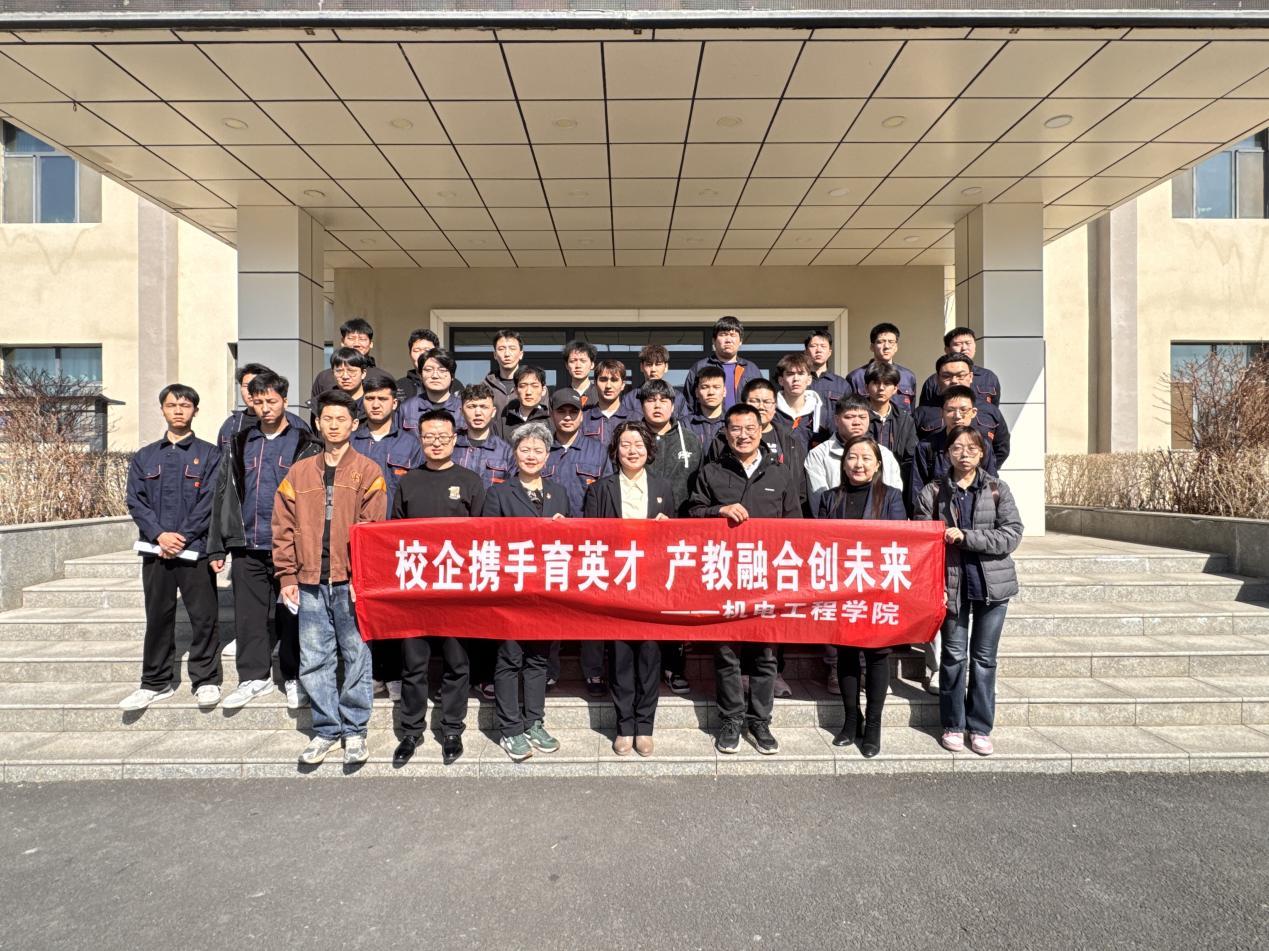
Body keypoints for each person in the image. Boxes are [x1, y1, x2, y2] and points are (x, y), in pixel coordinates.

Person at [273, 389, 387, 767]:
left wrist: (363, 577)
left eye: (341, 419)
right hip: (308, 580)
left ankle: (355, 730)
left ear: (354, 424)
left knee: (356, 655)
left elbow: (373, 530)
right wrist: (286, 575)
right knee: (314, 658)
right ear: (317, 423)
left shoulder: (368, 471)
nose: (334, 425)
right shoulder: (299, 472)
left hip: (350, 580)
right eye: (328, 419)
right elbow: (282, 526)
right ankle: (325, 729)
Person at [688, 404, 800, 756]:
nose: (743, 435)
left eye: (750, 428)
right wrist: (717, 511)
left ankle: (760, 721)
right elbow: (691, 514)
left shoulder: (780, 474)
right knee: (727, 654)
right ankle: (731, 720)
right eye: (735, 428)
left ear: (762, 428)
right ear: (725, 432)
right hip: (724, 577)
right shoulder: (711, 472)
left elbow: (796, 526)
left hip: (767, 578)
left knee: (766, 654)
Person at [208, 371, 320, 711]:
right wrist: (218, 544)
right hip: (247, 544)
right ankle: (253, 677)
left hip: (290, 546)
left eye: (272, 401)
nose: (266, 407)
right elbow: (223, 493)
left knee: (292, 615)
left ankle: (294, 676)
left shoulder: (305, 443)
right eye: (258, 402)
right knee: (249, 616)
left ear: (285, 400)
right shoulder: (239, 442)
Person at [915, 426, 1022, 757]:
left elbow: (1012, 534)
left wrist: (967, 537)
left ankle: (980, 728)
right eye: (957, 448)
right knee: (953, 658)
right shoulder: (933, 492)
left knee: (984, 660)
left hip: (993, 586)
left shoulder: (997, 489)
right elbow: (922, 541)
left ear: (982, 453)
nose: (964, 454)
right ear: (947, 453)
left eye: (971, 448)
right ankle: (952, 724)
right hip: (951, 586)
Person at [390, 409, 487, 767]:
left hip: (456, 588)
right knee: (413, 664)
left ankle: (452, 729)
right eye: (429, 436)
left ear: (455, 439)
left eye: (443, 437)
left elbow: (482, 535)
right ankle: (410, 731)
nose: (436, 443)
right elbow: (394, 535)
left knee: (457, 662)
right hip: (416, 588)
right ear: (420, 438)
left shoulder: (471, 481)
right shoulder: (408, 481)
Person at [119, 385, 223, 712]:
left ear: (195, 411)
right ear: (162, 409)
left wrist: (182, 537)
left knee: (204, 618)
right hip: (156, 552)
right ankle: (155, 682)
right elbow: (135, 501)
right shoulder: (145, 456)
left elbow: (210, 501)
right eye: (172, 405)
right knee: (158, 617)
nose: (178, 410)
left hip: (195, 552)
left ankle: (206, 680)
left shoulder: (210, 455)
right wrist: (160, 536)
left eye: (185, 405)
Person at [583, 422, 675, 757]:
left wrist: (668, 528)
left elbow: (676, 540)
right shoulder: (601, 489)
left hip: (651, 584)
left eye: (638, 444)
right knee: (620, 657)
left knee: (650, 655)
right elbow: (590, 538)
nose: (632, 451)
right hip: (616, 583)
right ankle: (624, 726)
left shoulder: (663, 486)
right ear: (615, 450)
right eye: (625, 444)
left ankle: (645, 726)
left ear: (649, 450)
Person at [480, 421, 568, 762]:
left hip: (546, 589)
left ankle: (534, 722)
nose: (531, 456)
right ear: (514, 454)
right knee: (509, 658)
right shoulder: (499, 493)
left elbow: (573, 540)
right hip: (511, 589)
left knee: (538, 659)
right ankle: (510, 728)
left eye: (538, 450)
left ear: (548, 456)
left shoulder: (558, 492)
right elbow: (489, 541)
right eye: (525, 449)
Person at [815, 435, 907, 758]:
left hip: (877, 588)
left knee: (878, 655)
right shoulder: (830, 498)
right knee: (847, 654)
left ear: (877, 465)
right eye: (852, 457)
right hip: (842, 588)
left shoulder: (891, 497)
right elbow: (820, 541)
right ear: (843, 464)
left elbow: (898, 540)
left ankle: (874, 725)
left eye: (866, 458)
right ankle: (851, 719)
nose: (858, 464)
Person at [351, 369, 425, 705]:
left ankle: (394, 674)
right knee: (364, 609)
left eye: (383, 398)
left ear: (395, 403)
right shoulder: (352, 442)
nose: (376, 404)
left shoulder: (411, 444)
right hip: (359, 538)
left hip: (398, 541)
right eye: (370, 398)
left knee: (395, 610)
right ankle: (372, 673)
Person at [544, 388, 612, 694]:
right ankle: (548, 671)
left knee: (591, 609)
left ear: (582, 416)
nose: (567, 417)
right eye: (562, 411)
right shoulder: (541, 447)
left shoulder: (598, 451)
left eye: (573, 412)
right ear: (552, 414)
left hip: (589, 543)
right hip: (549, 544)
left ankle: (593, 671)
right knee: (550, 609)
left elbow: (608, 493)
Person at [638, 378, 702, 695]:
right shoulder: (632, 437)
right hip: (639, 534)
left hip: (679, 534)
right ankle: (643, 668)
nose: (658, 405)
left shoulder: (690, 439)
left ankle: (675, 666)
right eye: (651, 400)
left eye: (664, 400)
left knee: (676, 602)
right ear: (641, 405)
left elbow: (698, 486)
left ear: (673, 405)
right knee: (642, 602)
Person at [806, 395, 904, 513]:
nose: (857, 422)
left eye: (862, 417)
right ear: (836, 420)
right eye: (849, 417)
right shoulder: (819, 455)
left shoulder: (884, 454)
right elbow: (819, 502)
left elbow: (893, 500)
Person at [910, 384, 1001, 505]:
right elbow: (917, 489)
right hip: (938, 512)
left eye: (963, 410)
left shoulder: (983, 445)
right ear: (942, 413)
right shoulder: (926, 447)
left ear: (973, 412)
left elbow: (992, 486)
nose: (957, 416)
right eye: (950, 410)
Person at [912, 354, 1011, 465]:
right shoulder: (922, 413)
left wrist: (981, 470)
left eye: (960, 375)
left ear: (971, 377)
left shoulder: (990, 411)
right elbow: (913, 452)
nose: (954, 381)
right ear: (937, 379)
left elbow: (1001, 448)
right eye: (947, 376)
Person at [217, 362, 307, 451]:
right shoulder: (231, 424)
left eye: (256, 386)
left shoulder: (295, 423)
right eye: (246, 386)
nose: (250, 391)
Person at [683, 315, 763, 413]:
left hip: (743, 421)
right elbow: (688, 404)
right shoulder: (700, 367)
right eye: (723, 335)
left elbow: (761, 401)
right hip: (707, 422)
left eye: (733, 335)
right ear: (714, 340)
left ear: (740, 341)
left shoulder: (751, 369)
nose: (728, 340)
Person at [917, 327, 1003, 408]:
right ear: (947, 349)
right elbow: (925, 412)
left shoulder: (988, 377)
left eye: (968, 343)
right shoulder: (934, 381)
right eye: (957, 344)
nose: (964, 348)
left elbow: (994, 409)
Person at [864, 362, 917, 491]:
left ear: (895, 389)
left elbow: (910, 458)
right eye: (876, 383)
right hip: (863, 483)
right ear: (866, 387)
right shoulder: (858, 417)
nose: (881, 388)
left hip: (896, 485)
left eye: (887, 384)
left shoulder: (905, 420)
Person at [452, 382, 514, 488]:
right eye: (471, 407)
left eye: (484, 407)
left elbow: (513, 488)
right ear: (461, 411)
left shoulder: (506, 451)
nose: (478, 413)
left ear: (493, 412)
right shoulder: (450, 445)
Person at [846, 322, 917, 412]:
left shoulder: (908, 377)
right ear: (872, 347)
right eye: (881, 342)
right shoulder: (856, 377)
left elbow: (911, 411)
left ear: (896, 347)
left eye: (891, 342)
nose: (886, 346)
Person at [310, 318, 375, 407]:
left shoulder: (381, 376)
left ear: (371, 344)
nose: (356, 344)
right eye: (351, 338)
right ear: (342, 342)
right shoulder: (324, 377)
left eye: (362, 339)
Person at [397, 348, 463, 432]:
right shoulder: (407, 408)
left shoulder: (463, 408)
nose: (435, 376)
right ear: (420, 375)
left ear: (452, 376)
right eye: (428, 370)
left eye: (442, 370)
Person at [774, 351, 829, 452]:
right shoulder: (771, 412)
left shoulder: (822, 413)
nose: (796, 379)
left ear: (809, 380)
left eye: (801, 373)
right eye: (790, 374)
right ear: (781, 380)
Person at [620, 344, 687, 419]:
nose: (653, 370)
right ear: (641, 367)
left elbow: (684, 423)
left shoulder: (678, 398)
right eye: (649, 365)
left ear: (666, 367)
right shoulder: (630, 399)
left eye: (658, 364)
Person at [582, 358, 638, 446]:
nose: (608, 386)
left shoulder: (635, 419)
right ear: (595, 384)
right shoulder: (583, 418)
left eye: (614, 380)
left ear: (623, 385)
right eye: (603, 380)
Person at [311, 347, 370, 429]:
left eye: (351, 371)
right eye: (339, 371)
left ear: (363, 373)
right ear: (333, 373)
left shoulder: (375, 403)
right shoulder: (320, 404)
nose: (345, 376)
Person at [500, 365, 551, 440]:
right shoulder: (502, 424)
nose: (528, 392)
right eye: (523, 386)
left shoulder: (552, 422)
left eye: (534, 386)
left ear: (543, 390)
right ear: (516, 391)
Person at [805, 328, 851, 407]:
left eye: (823, 346)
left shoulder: (842, 384)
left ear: (829, 352)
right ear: (806, 352)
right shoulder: (799, 382)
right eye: (813, 346)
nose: (818, 350)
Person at [684, 365, 727, 446]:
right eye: (705, 387)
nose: (711, 392)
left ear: (724, 391)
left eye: (716, 387)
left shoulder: (732, 422)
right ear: (697, 392)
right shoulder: (685, 424)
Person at [483, 328, 524, 412]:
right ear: (495, 355)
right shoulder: (485, 387)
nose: (507, 354)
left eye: (512, 348)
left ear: (521, 354)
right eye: (501, 349)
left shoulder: (533, 386)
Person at [394, 328, 439, 401]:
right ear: (410, 354)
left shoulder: (451, 385)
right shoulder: (399, 386)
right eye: (416, 350)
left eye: (427, 350)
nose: (421, 354)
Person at [562, 339, 600, 407]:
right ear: (567, 365)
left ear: (592, 365)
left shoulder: (600, 394)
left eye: (583, 361)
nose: (578, 366)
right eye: (573, 361)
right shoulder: (560, 396)